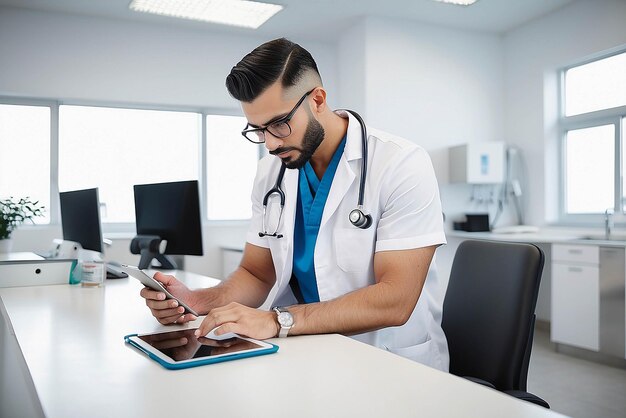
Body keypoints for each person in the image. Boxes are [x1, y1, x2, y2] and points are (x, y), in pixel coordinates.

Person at [140, 38, 449, 371]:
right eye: (258, 130)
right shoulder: (270, 172)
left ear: (317, 99)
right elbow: (257, 273)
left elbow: (396, 301)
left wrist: (278, 321)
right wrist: (198, 300)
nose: (270, 143)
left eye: (279, 124)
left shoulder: (401, 164)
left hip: (387, 362)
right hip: (309, 352)